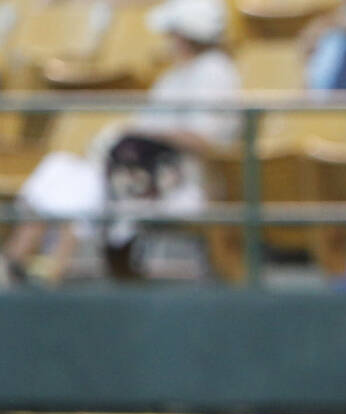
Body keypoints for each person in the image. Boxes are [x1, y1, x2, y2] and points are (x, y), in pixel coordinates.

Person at [0, 0, 240, 284]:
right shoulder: (177, 74)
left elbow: (205, 141)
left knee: (82, 186)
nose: (169, 39)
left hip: (177, 179)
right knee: (59, 168)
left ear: (186, 35)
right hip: (139, 171)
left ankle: (47, 270)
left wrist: (147, 134)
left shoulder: (216, 73)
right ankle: (16, 264)